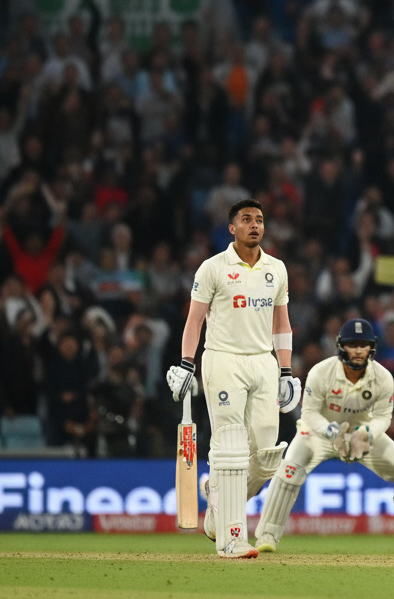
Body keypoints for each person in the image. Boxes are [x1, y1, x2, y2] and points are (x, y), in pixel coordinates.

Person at [166, 200, 300, 559]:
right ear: (232, 228)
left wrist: (285, 371)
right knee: (231, 447)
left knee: (268, 454)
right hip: (223, 359)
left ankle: (219, 499)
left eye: (259, 219)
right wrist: (185, 364)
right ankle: (232, 537)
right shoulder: (213, 268)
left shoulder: (276, 268)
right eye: (246, 220)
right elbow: (194, 320)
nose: (254, 225)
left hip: (263, 363)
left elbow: (281, 324)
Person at [255, 318, 394, 554]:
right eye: (352, 344)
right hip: (319, 433)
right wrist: (330, 432)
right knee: (288, 471)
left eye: (363, 345)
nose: (358, 350)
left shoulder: (383, 378)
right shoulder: (321, 372)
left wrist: (366, 433)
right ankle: (267, 535)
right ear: (341, 346)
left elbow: (383, 417)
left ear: (372, 348)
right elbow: (309, 413)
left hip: (361, 433)